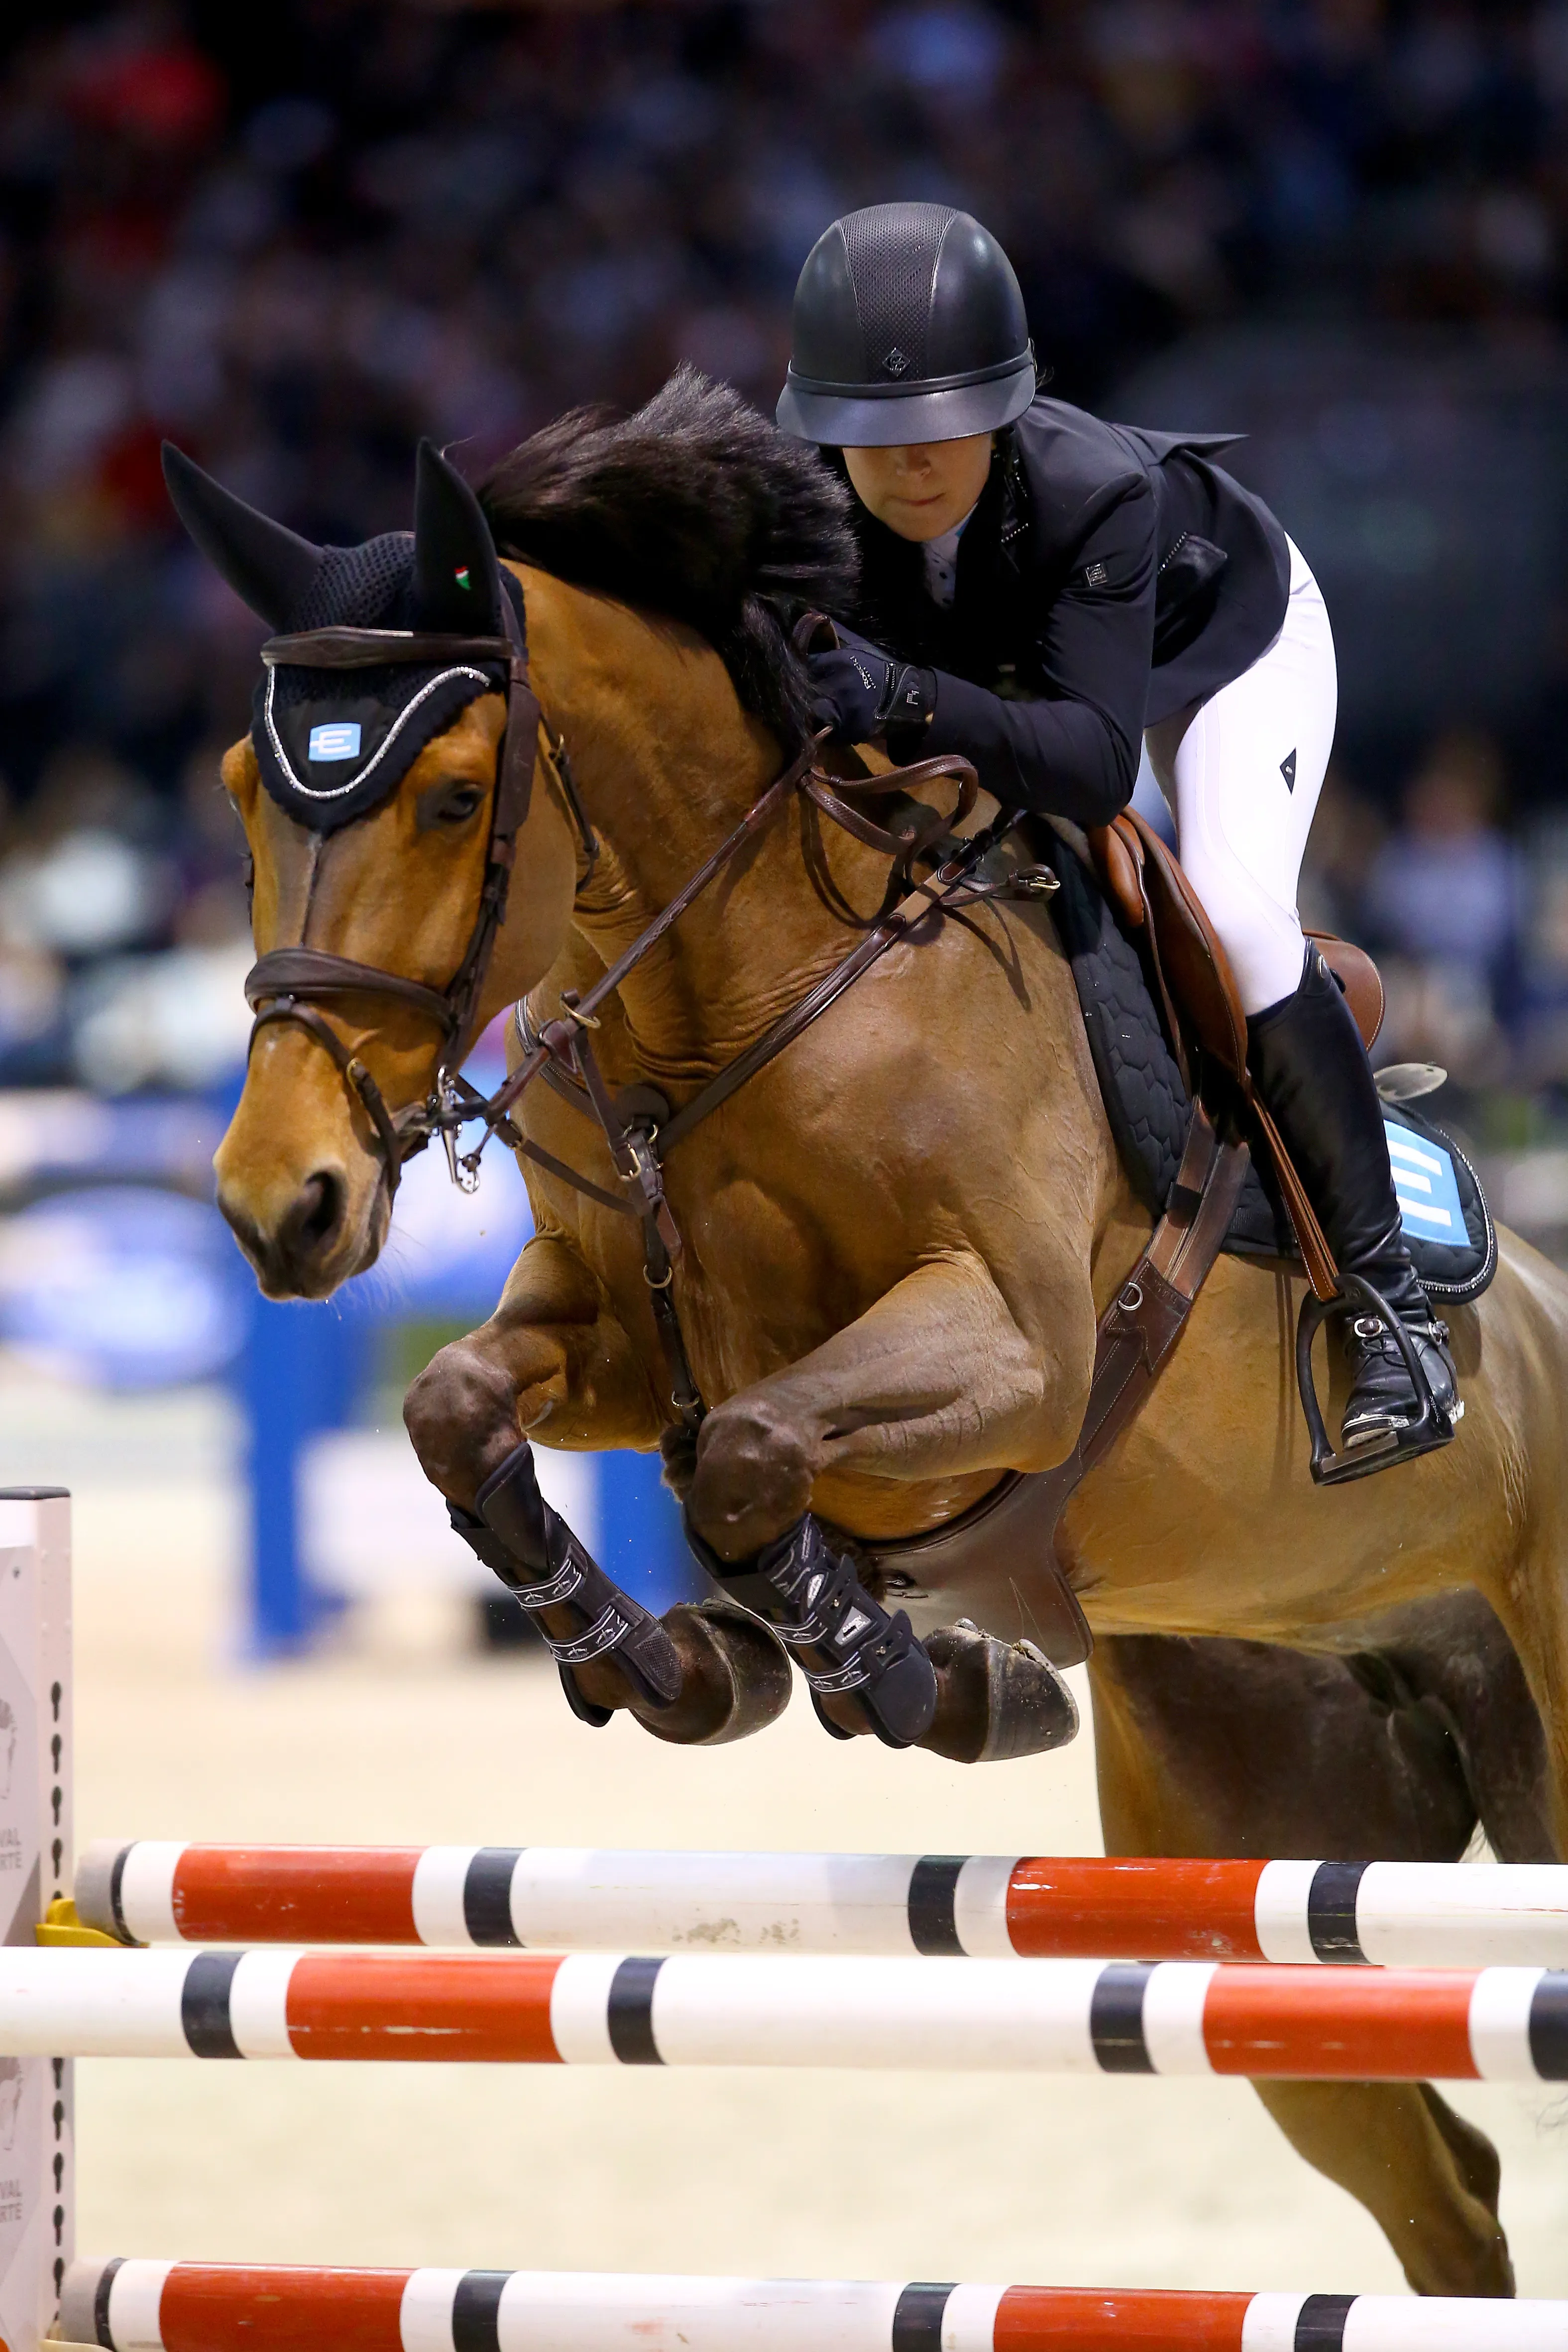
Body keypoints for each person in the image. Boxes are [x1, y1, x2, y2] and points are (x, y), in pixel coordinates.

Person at [777, 202, 1458, 1472]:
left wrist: (908, 697)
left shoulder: (1099, 493)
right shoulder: (802, 489)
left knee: (1241, 924)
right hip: (1029, 678)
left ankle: (1390, 1317)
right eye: (876, 437)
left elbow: (1091, 764)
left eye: (943, 429)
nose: (910, 464)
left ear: (1001, 405)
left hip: (1222, 650)